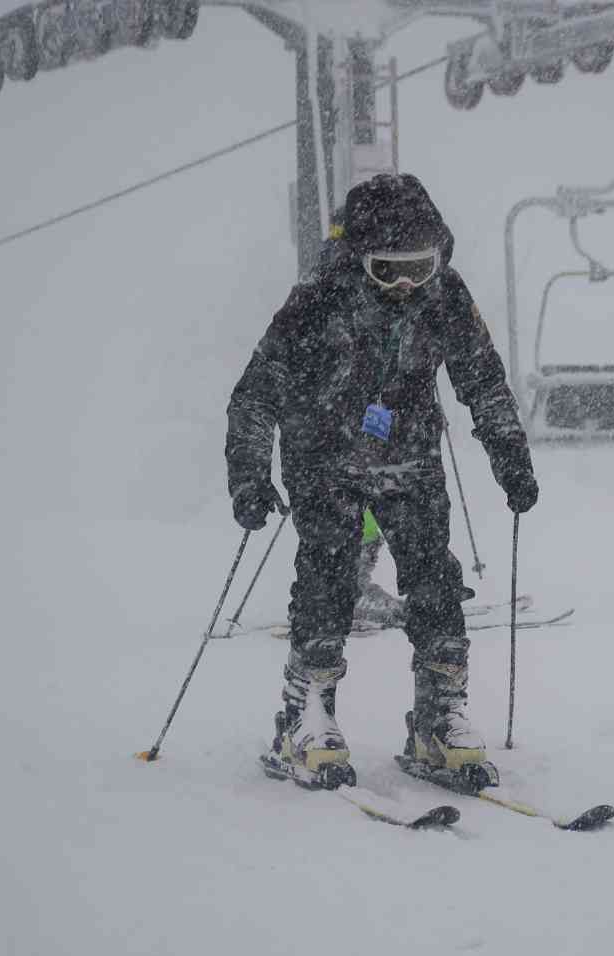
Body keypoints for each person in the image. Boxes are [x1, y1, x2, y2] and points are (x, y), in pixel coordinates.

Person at [224, 173, 538, 787]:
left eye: (419, 267)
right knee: (330, 575)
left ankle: (439, 713)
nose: (405, 285)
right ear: (354, 259)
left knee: (434, 578)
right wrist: (248, 472)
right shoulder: (316, 301)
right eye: (387, 269)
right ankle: (305, 713)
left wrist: (509, 453)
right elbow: (257, 392)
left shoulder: (445, 296)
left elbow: (483, 380)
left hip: (411, 457)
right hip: (323, 457)